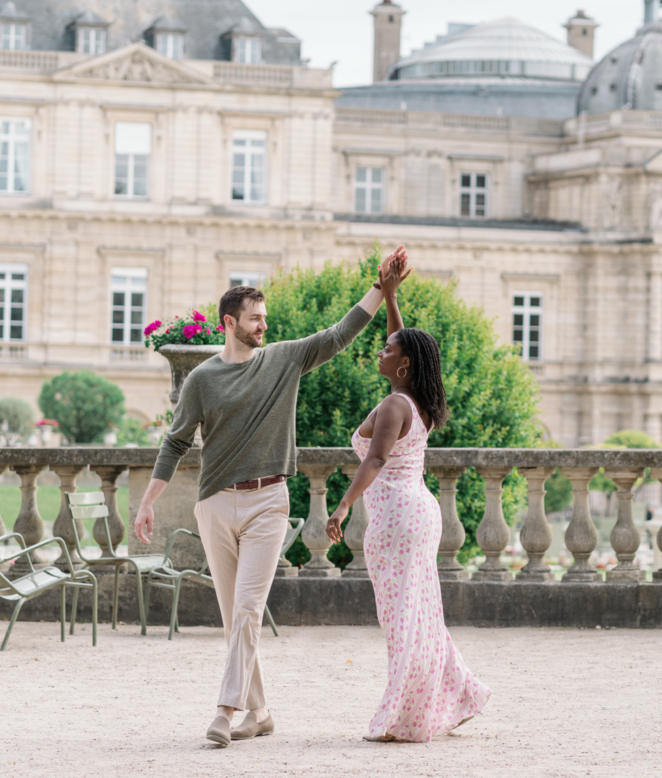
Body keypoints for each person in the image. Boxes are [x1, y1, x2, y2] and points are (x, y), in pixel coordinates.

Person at [133, 246, 405, 748]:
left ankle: (223, 712)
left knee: (248, 610)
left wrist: (380, 286)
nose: (263, 325)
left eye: (265, 318)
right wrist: (149, 500)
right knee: (231, 614)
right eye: (255, 319)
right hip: (215, 503)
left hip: (268, 503)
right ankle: (259, 712)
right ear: (228, 322)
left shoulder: (283, 359)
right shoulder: (202, 379)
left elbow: (338, 335)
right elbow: (175, 441)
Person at [326, 254, 491, 743]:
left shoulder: (396, 403)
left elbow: (374, 462)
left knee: (403, 621)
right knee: (420, 616)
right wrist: (390, 296)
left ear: (401, 363)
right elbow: (408, 347)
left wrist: (342, 505)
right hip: (416, 511)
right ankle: (458, 696)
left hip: (396, 515)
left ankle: (406, 716)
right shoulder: (417, 399)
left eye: (385, 348)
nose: (378, 351)